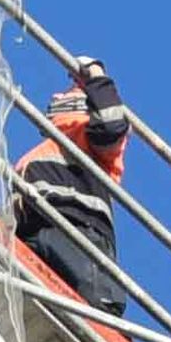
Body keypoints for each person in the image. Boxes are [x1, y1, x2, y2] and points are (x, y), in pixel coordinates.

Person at [13, 57, 129, 317]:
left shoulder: (88, 140)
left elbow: (111, 123)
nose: (56, 96)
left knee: (94, 312)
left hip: (78, 232)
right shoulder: (41, 153)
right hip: (35, 233)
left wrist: (94, 75)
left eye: (66, 93)